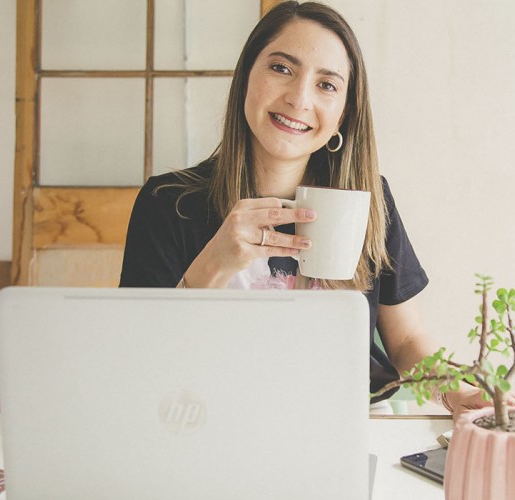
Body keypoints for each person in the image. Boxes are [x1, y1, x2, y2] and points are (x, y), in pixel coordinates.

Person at [119, 1, 486, 419]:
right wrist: (211, 267)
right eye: (281, 68)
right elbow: (140, 361)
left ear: (343, 113)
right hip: (209, 424)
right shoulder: (167, 204)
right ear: (246, 78)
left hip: (343, 427)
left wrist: (457, 392)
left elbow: (405, 341)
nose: (299, 99)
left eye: (327, 85)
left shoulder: (369, 201)